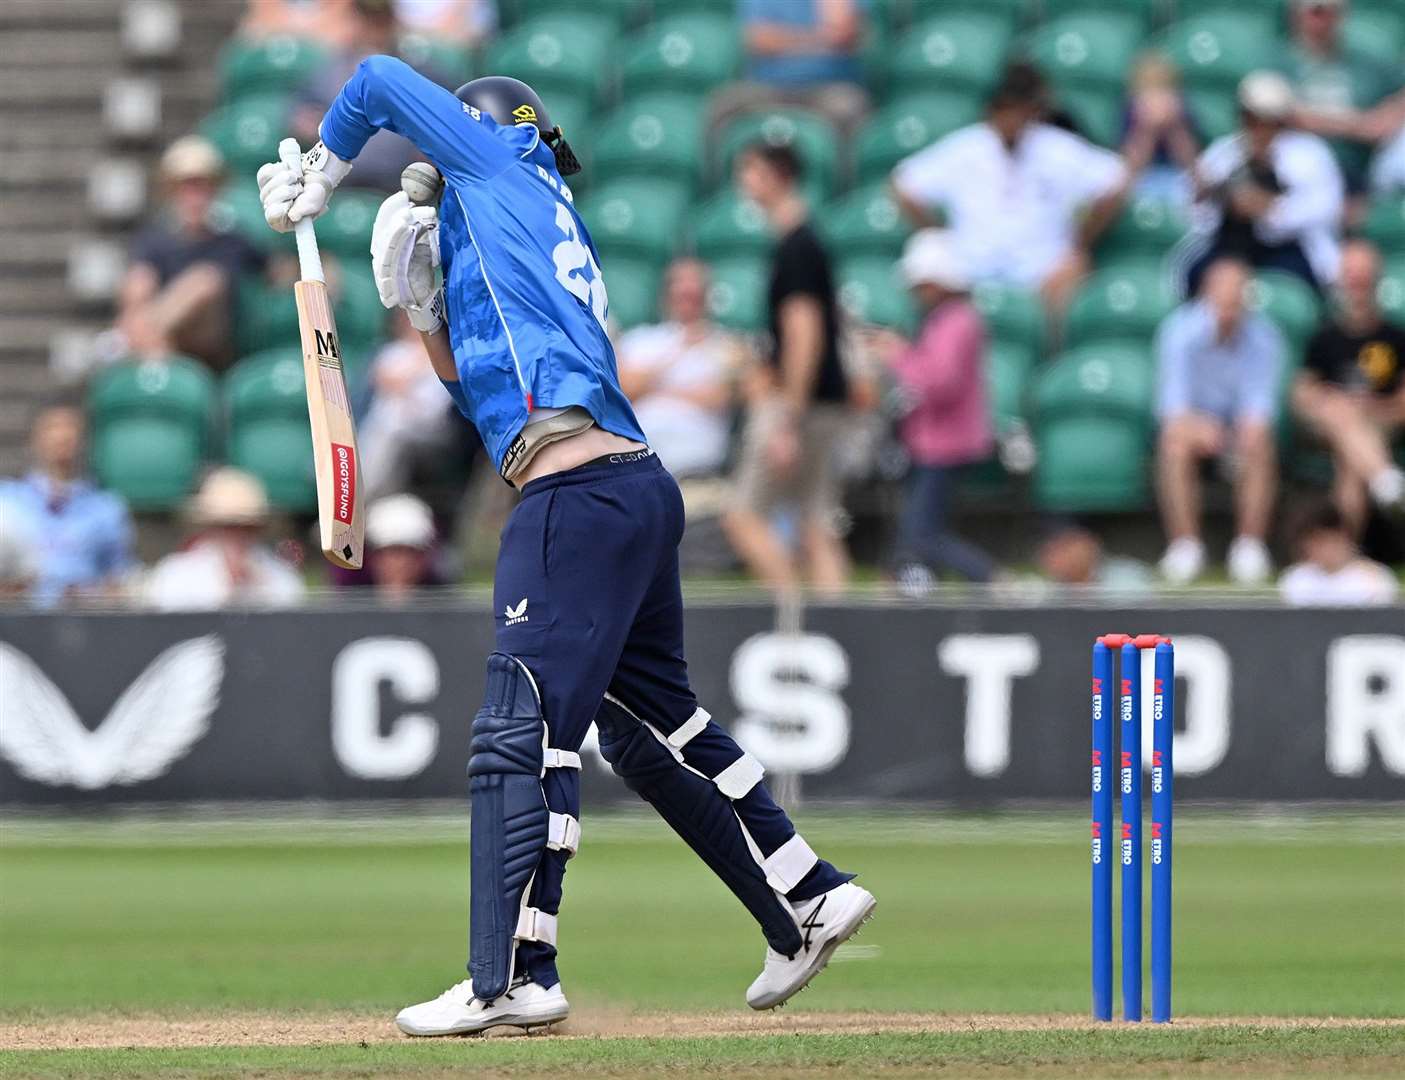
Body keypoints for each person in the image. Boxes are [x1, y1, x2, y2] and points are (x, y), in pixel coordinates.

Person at [256, 62, 871, 1036]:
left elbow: (373, 78)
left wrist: (324, 171)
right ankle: (803, 894)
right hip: (627, 488)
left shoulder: (499, 162)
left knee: (518, 731)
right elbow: (486, 407)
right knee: (644, 727)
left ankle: (504, 976)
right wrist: (424, 310)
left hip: (575, 498)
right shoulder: (541, 231)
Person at [891, 61, 1130, 315]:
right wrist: (936, 230)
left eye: (1016, 110)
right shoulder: (967, 147)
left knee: (1075, 271)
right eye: (1003, 110)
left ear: (1029, 111)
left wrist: (1079, 244)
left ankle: (1050, 351)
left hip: (1042, 270)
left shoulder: (1056, 148)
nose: (1010, 119)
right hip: (968, 270)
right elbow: (903, 184)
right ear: (991, 112)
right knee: (926, 265)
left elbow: (1116, 180)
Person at [722, 142, 852, 593]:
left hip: (798, 405)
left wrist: (788, 421)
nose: (745, 183)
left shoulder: (796, 247)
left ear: (777, 176)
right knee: (814, 523)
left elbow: (804, 335)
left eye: (751, 171)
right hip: (823, 402)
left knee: (743, 516)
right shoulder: (807, 240)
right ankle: (839, 624)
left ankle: (795, 616)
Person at [875, 229, 998, 592]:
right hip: (933, 442)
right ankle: (918, 585)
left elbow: (941, 382)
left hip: (946, 445)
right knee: (917, 529)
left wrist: (898, 356)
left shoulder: (958, 321)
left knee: (922, 533)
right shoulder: (948, 320)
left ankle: (988, 576)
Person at [1154, 258, 1285, 585]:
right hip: (1193, 427)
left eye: (1237, 301)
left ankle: (1249, 546)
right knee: (1174, 445)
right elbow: (1172, 410)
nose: (1229, 310)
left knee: (1260, 442)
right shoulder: (1177, 333)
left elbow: (1259, 407)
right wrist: (1202, 429)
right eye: (1223, 301)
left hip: (1237, 429)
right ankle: (1185, 546)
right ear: (1206, 295)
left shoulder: (1265, 337)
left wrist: (1244, 430)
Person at [113, 136, 267, 371]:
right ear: (172, 191)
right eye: (187, 187)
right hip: (164, 345)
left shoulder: (233, 241)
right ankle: (147, 349)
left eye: (202, 187)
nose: (195, 196)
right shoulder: (154, 239)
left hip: (214, 347)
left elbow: (277, 270)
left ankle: (123, 341)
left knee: (204, 281)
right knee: (137, 284)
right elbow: (138, 287)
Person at [1187, 71, 1344, 294]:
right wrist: (1215, 197)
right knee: (1198, 273)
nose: (1259, 127)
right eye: (1251, 117)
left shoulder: (1310, 154)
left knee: (1290, 285)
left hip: (1288, 249)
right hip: (1232, 248)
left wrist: (1269, 209)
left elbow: (1326, 209)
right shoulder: (1226, 151)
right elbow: (1196, 205)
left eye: (1267, 119)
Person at [1292, 239, 1405, 529]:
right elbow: (1301, 395)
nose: (1357, 284)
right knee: (1336, 410)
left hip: (1380, 423)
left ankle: (1345, 556)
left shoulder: (1396, 337)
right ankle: (1386, 480)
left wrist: (1369, 408)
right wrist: (1332, 404)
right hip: (1327, 429)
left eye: (1363, 277)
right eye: (1351, 276)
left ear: (1375, 281)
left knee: (1350, 460)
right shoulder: (1323, 338)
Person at [291, 0, 455, 193]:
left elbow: (450, 116)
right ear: (354, 20)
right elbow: (300, 116)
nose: (373, 28)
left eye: (380, 20)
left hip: (399, 184)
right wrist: (312, 125)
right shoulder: (330, 70)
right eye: (367, 18)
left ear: (393, 20)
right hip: (339, 183)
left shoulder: (419, 71)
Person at [0, 405, 135, 607]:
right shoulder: (6, 501)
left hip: (85, 622)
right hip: (13, 621)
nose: (62, 437)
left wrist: (94, 596)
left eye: (70, 428)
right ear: (33, 439)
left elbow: (119, 580)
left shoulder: (106, 508)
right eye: (52, 428)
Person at [615, 259, 738, 480]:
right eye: (680, 286)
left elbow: (719, 397)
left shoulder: (724, 344)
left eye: (694, 288)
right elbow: (624, 390)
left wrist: (655, 391)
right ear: (666, 294)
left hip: (697, 463)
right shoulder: (640, 339)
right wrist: (678, 350)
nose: (687, 293)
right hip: (639, 460)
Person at [1275, 0, 1403, 194]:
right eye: (1317, 12)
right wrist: (1360, 126)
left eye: (1332, 12)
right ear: (1297, 15)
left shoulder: (1366, 60)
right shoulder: (1278, 60)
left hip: (1362, 161)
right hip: (1301, 165)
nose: (1324, 21)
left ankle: (1385, 209)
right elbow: (1284, 112)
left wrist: (1385, 118)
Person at [143, 468, 305, 611]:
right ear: (211, 527)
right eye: (226, 526)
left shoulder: (280, 579)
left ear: (258, 529)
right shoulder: (176, 574)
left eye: (246, 527)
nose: (236, 536)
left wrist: (254, 583)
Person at [358, 309, 460, 502]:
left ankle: (364, 499)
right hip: (382, 425)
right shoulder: (391, 351)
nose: (408, 324)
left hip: (429, 430)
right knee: (378, 429)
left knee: (392, 431)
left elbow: (434, 409)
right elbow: (384, 380)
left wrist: (426, 358)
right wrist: (419, 363)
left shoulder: (445, 356)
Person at [1119, 52, 1202, 206]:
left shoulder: (1181, 107)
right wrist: (1147, 128)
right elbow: (1128, 174)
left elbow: (1195, 174)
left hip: (1177, 176)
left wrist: (1174, 125)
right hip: (1142, 177)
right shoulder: (1131, 109)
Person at [1278, 499, 1398, 605]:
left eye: (1328, 540)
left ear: (1344, 537)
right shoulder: (1296, 580)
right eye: (1315, 542)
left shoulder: (1375, 580)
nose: (1324, 549)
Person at [363, 492, 439, 600]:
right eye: (393, 552)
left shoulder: (448, 612)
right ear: (374, 558)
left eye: (411, 552)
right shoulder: (346, 611)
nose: (402, 564)